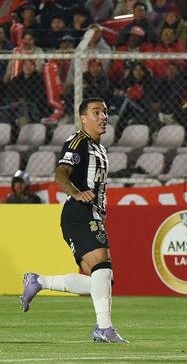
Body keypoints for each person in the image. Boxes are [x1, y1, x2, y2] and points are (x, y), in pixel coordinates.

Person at [20, 98, 127, 343]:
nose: (103, 117)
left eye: (105, 112)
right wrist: (76, 193)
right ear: (83, 118)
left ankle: (39, 281)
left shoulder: (100, 148)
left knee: (102, 280)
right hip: (79, 213)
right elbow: (60, 173)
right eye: (96, 112)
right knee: (102, 270)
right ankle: (104, 328)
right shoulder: (77, 141)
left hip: (92, 214)